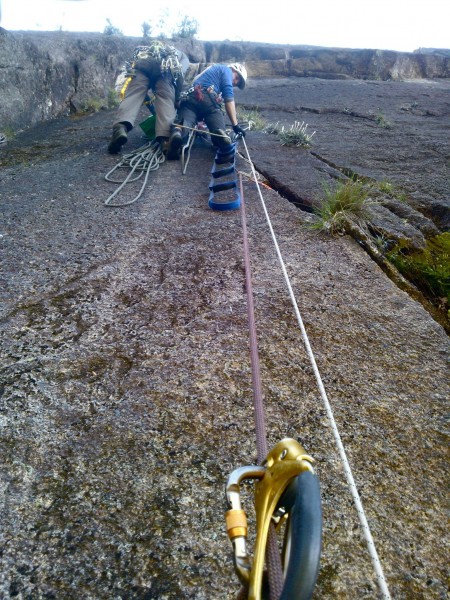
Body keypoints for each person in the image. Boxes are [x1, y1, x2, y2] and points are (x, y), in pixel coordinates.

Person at [108, 40, 190, 154]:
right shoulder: (183, 57)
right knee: (165, 98)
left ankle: (121, 127)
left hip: (143, 64)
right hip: (165, 68)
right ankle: (165, 140)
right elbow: (179, 74)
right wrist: (177, 98)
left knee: (134, 94)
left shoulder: (149, 50)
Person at [166, 62, 248, 160]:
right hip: (208, 97)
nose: (235, 82)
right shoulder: (225, 70)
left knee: (185, 122)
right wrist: (235, 125)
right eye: (237, 78)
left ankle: (178, 132)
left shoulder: (209, 71)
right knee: (214, 113)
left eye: (237, 83)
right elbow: (229, 100)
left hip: (189, 98)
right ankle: (220, 135)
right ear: (233, 69)